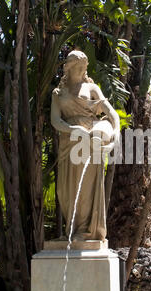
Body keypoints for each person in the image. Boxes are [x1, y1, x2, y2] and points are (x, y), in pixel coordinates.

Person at [50, 50, 120, 241]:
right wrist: (72, 130)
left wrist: (116, 132)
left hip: (89, 141)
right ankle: (70, 231)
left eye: (84, 68)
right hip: (68, 141)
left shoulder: (92, 89)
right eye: (78, 67)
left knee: (86, 187)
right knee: (64, 191)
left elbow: (112, 113)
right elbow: (55, 121)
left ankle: (83, 230)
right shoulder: (58, 93)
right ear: (69, 68)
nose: (82, 71)